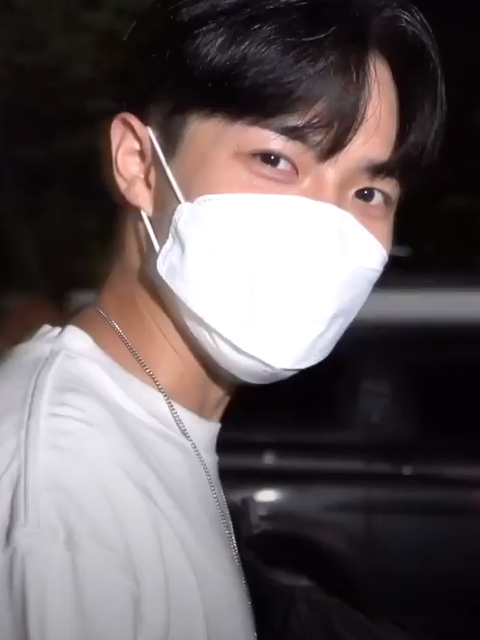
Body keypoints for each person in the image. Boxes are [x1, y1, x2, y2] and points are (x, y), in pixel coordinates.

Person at [0, 1, 445, 639]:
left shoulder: (152, 430)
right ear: (139, 163)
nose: (327, 226)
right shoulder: (66, 496)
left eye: (369, 192)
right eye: (276, 161)